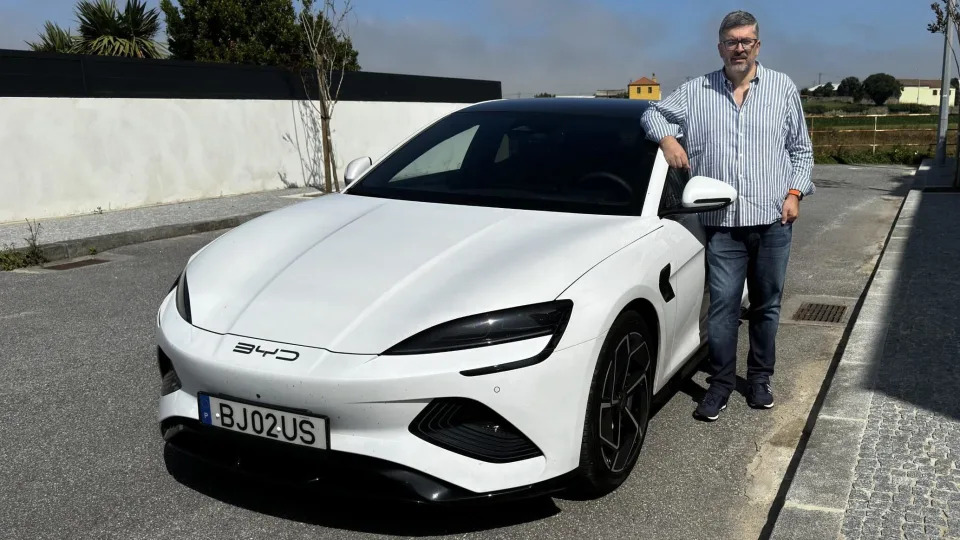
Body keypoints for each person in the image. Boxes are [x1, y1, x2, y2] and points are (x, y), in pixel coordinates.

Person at [640, 10, 814, 421]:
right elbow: (650, 112)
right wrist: (667, 140)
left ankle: (758, 379)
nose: (739, 47)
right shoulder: (697, 90)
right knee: (722, 308)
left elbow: (801, 152)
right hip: (721, 226)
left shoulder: (783, 88)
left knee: (767, 306)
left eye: (746, 40)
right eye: (732, 41)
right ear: (720, 47)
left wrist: (794, 193)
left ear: (758, 45)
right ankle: (719, 384)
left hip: (773, 221)